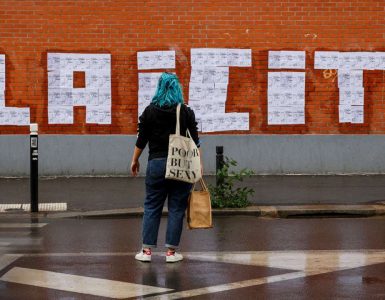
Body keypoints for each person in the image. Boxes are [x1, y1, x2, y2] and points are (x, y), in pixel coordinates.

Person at [131, 72, 201, 263]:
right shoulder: (185, 111)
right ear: (177, 88)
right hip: (180, 164)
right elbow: (195, 142)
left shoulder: (149, 111)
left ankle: (146, 251)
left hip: (156, 163)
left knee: (152, 206)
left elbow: (141, 140)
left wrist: (134, 160)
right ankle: (171, 252)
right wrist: (198, 165)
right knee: (177, 207)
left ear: (159, 88)